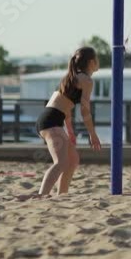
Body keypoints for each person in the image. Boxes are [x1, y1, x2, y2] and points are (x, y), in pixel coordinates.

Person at [34, 46, 102, 196]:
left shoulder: (72, 76)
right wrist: (92, 134)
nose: (98, 61)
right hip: (51, 122)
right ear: (91, 62)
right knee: (61, 162)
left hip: (49, 119)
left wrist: (70, 131)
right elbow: (85, 111)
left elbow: (66, 107)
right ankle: (41, 196)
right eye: (97, 58)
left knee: (72, 160)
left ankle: (62, 195)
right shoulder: (86, 80)